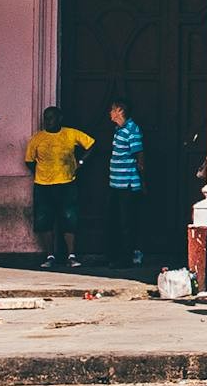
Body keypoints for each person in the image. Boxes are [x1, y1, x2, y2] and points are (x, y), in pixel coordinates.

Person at [23, 106, 91, 270]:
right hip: (43, 185)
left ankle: (71, 255)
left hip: (66, 183)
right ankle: (50, 255)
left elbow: (91, 144)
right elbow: (29, 160)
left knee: (69, 219)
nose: (48, 121)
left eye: (51, 118)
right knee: (44, 221)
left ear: (59, 119)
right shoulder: (37, 138)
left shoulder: (70, 134)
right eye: (46, 118)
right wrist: (42, 173)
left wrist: (80, 162)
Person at [97, 98, 149, 275]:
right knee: (114, 220)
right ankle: (113, 254)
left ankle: (125, 257)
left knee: (126, 222)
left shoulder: (132, 130)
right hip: (115, 182)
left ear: (119, 111)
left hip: (127, 183)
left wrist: (143, 182)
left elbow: (139, 156)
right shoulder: (119, 129)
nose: (110, 113)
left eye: (112, 109)